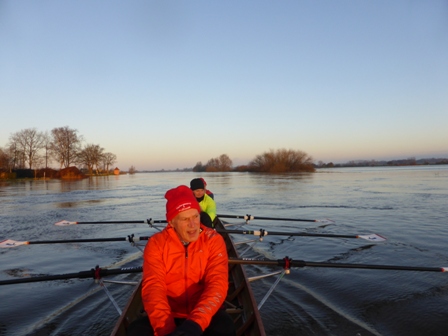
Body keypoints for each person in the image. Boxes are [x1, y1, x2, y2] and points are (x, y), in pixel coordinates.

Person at [127, 185, 235, 336]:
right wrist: (167, 330)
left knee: (225, 326)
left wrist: (195, 324)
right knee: (135, 330)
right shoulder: (157, 243)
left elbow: (217, 284)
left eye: (196, 216)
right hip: (169, 313)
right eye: (185, 219)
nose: (193, 225)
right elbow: (154, 288)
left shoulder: (213, 240)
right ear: (171, 222)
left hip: (203, 313)